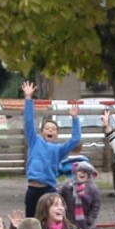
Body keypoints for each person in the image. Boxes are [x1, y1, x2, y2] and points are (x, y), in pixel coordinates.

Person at [21, 82, 83, 217]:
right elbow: (28, 121)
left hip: (48, 190)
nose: (50, 130)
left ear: (56, 134)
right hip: (33, 189)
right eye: (47, 128)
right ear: (42, 131)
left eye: (53, 129)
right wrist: (28, 98)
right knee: (32, 221)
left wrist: (75, 119)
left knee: (49, 221)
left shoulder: (59, 149)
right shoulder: (34, 141)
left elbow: (75, 139)